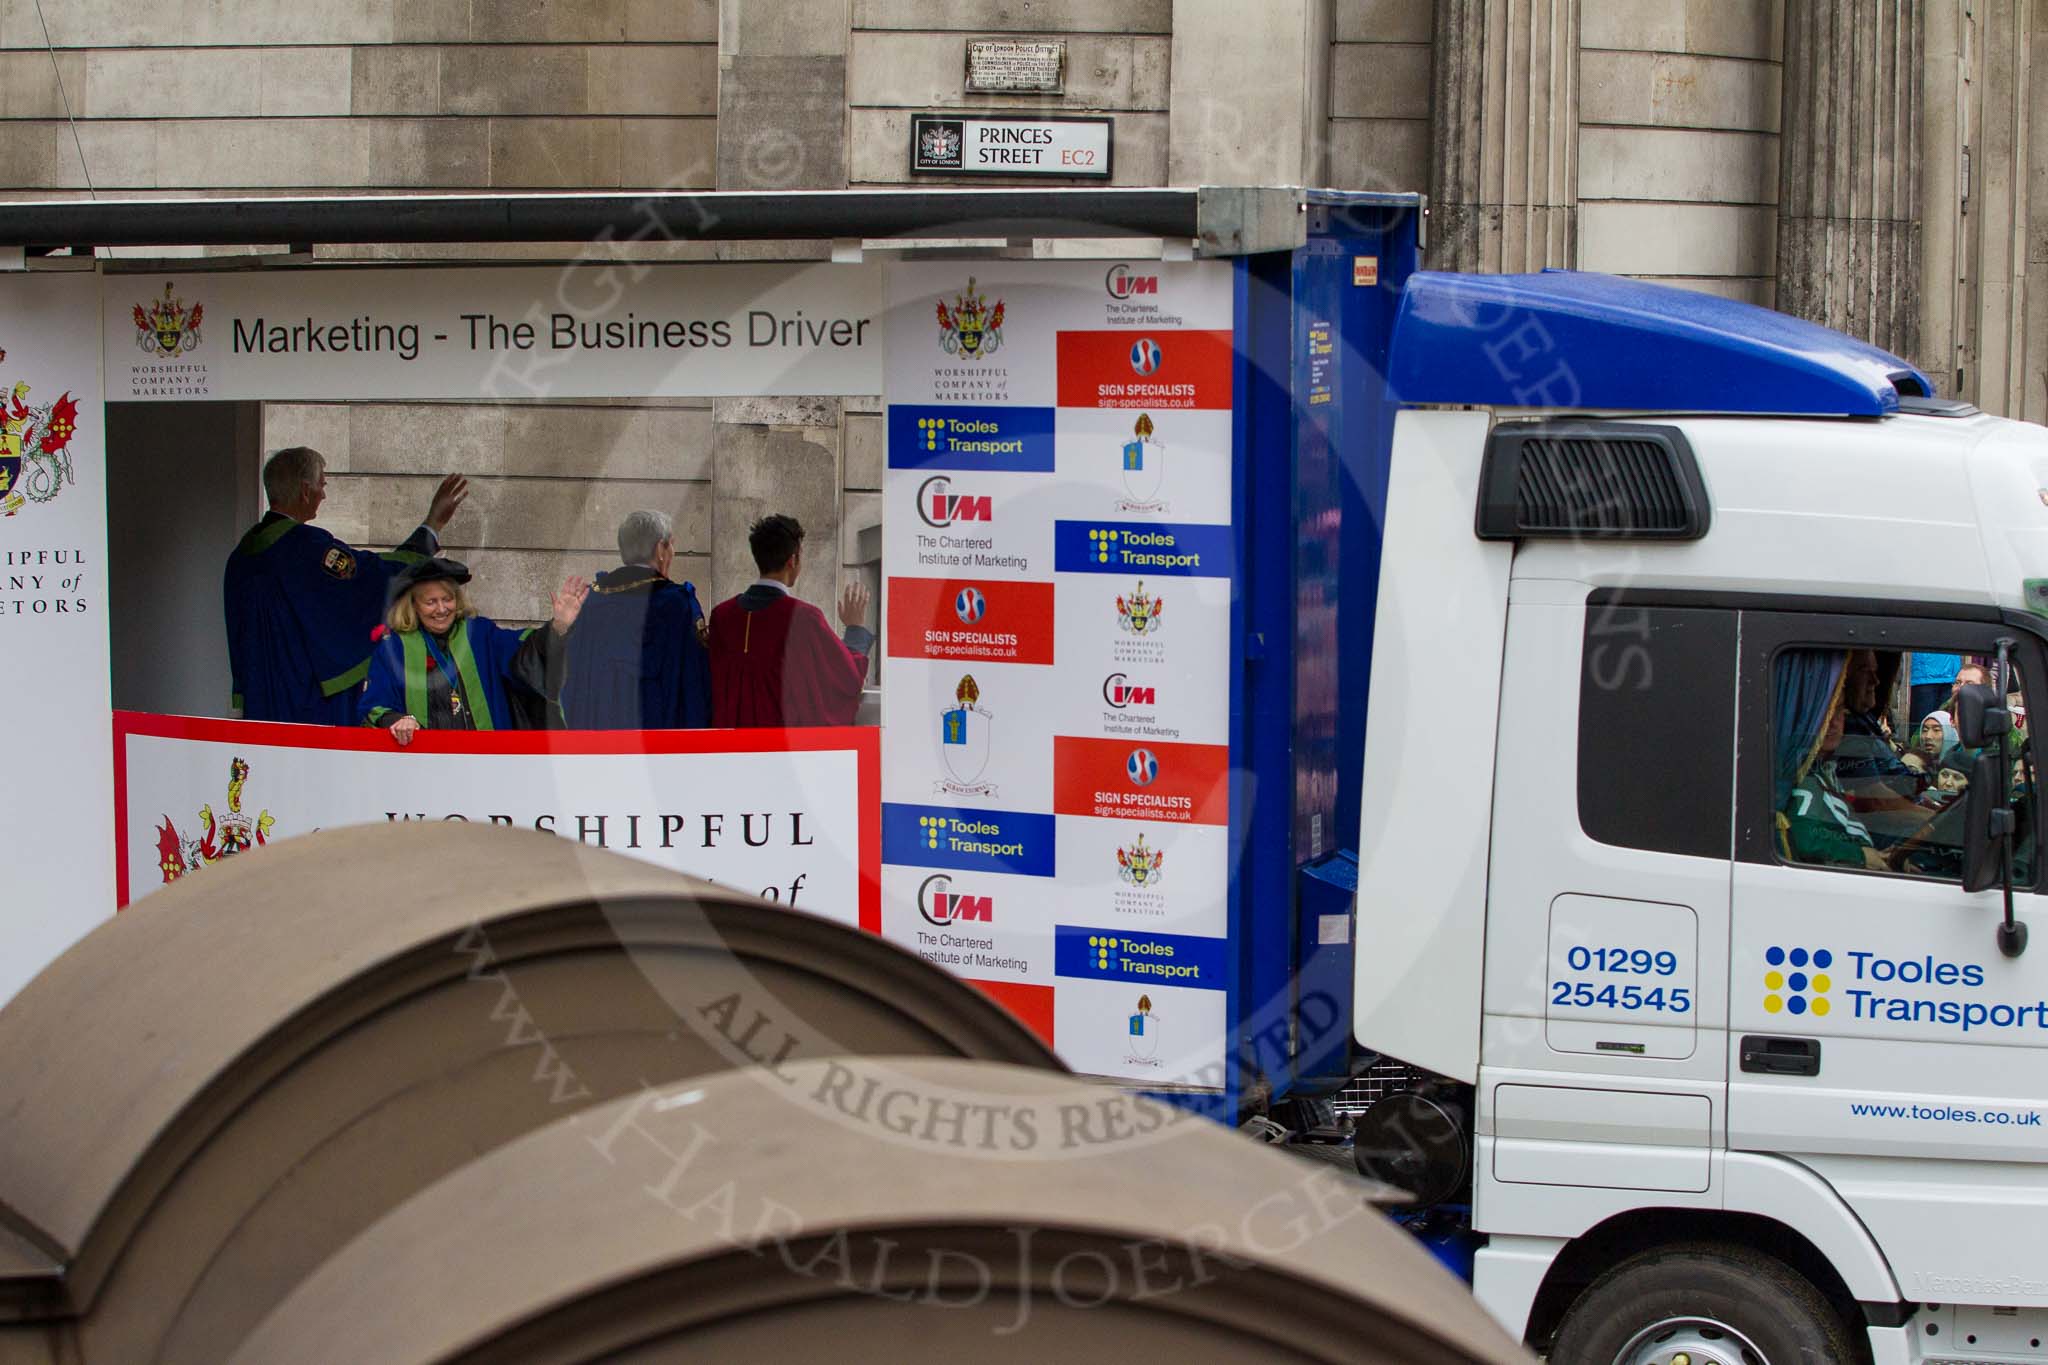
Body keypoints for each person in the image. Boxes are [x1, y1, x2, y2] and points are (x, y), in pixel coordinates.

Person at [224, 445, 467, 724]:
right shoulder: (306, 549)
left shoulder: (241, 556)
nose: (323, 494)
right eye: (321, 485)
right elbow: (373, 578)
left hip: (259, 702)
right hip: (304, 707)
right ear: (305, 491)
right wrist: (432, 525)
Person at [360, 558, 588, 745]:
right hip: (425, 768)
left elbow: (524, 657)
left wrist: (559, 626)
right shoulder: (395, 648)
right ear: (414, 605)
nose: (441, 609)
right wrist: (399, 720)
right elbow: (375, 705)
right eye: (430, 602)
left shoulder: (480, 635)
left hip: (486, 764)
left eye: (447, 599)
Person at [708, 513, 872, 727]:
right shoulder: (803, 619)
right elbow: (846, 680)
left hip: (731, 751)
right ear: (793, 560)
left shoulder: (722, 616)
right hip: (781, 750)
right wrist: (855, 629)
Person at [558, 510, 711, 729]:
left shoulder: (588, 602)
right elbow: (694, 685)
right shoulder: (678, 605)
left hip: (600, 739)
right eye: (671, 546)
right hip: (656, 741)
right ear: (660, 549)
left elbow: (572, 682)